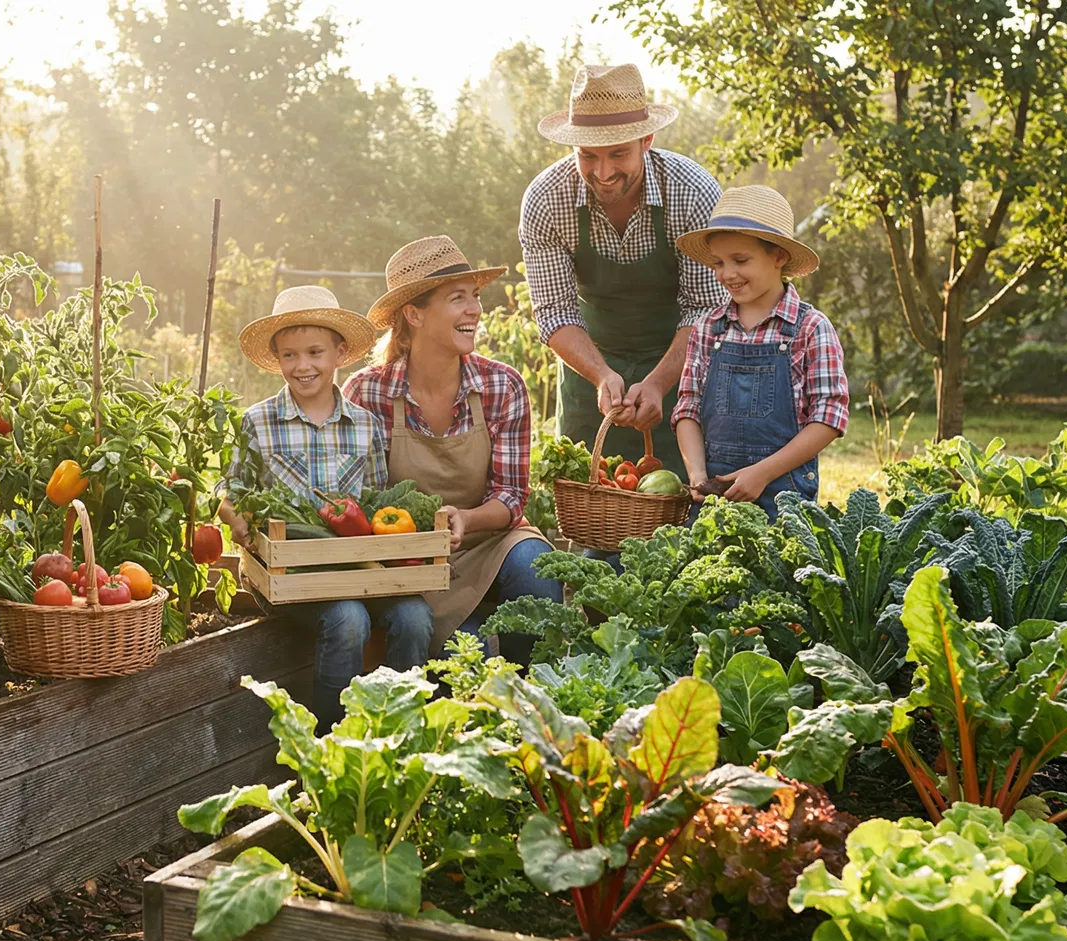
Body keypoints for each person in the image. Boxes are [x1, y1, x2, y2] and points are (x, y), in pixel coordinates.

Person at [218, 286, 433, 727]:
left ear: (340, 353)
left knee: (414, 616)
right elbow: (229, 489)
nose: (303, 366)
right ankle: (330, 741)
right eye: (290, 355)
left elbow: (376, 500)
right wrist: (237, 520)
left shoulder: (365, 425)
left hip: (356, 569)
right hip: (289, 576)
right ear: (277, 359)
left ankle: (399, 729)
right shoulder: (257, 421)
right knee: (348, 618)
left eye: (315, 352)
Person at [345, 236, 560, 665]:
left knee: (536, 566)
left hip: (489, 541)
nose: (475, 309)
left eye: (475, 296)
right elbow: (362, 501)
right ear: (414, 314)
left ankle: (534, 691)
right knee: (468, 655)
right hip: (412, 559)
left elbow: (511, 496)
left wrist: (467, 518)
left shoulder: (502, 386)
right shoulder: (368, 393)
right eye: (457, 298)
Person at [519, 63, 727, 473]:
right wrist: (600, 375)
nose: (603, 173)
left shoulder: (692, 193)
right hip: (589, 372)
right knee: (588, 499)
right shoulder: (546, 200)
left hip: (681, 368)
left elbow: (706, 309)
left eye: (618, 154)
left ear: (647, 140)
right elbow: (554, 311)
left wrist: (658, 383)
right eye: (587, 156)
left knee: (682, 499)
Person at [671, 186, 849, 517]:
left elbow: (829, 418)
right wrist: (697, 476)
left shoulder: (810, 328)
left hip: (784, 499)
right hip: (714, 499)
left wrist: (763, 473)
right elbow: (687, 409)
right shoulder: (708, 328)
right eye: (718, 263)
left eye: (740, 260)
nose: (727, 274)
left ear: (779, 256)